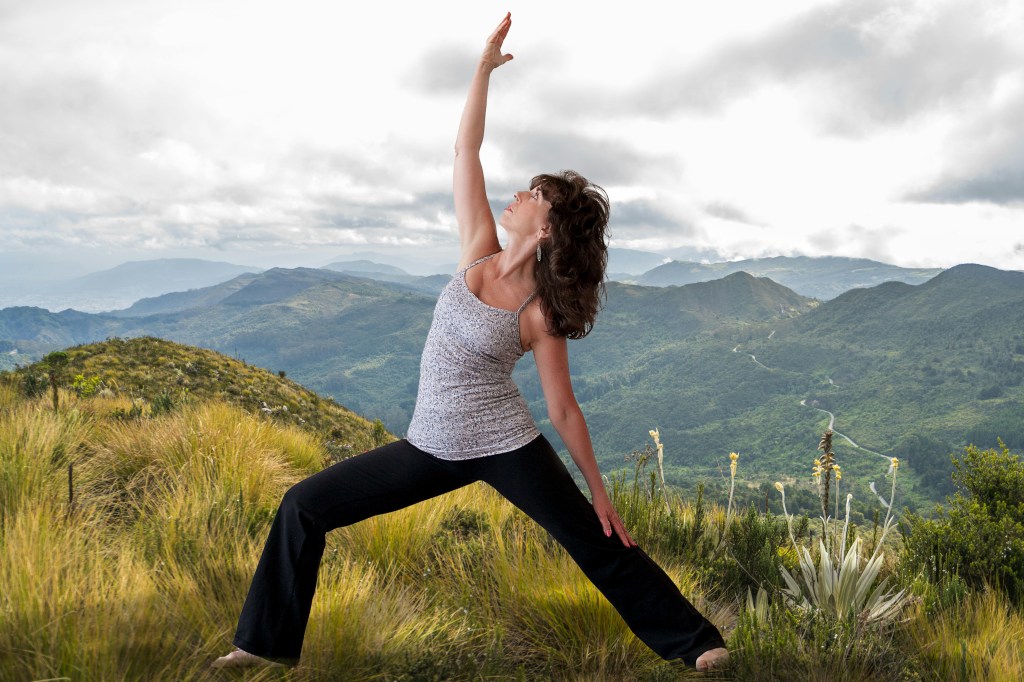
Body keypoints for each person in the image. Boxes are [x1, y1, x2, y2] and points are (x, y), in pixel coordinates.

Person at [213, 13, 728, 673]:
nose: (519, 194)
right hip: (429, 446)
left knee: (594, 538)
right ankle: (260, 647)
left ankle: (699, 644)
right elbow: (465, 151)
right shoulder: (477, 248)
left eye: (534, 195)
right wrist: (482, 69)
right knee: (303, 506)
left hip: (506, 445)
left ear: (547, 229)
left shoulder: (540, 312)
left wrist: (598, 490)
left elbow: (562, 408)